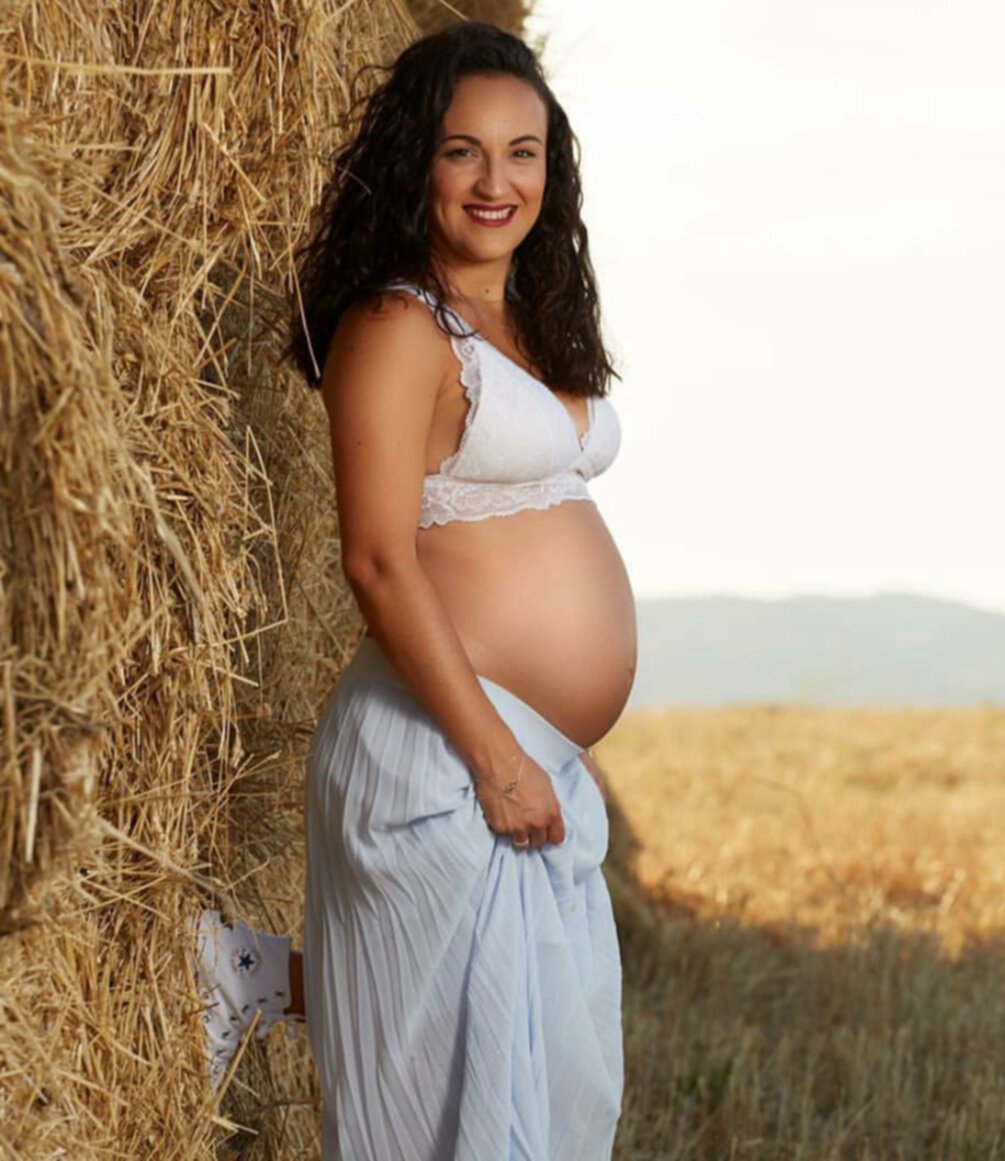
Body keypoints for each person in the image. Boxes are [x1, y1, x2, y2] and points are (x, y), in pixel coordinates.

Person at [192, 19, 638, 1159]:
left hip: (521, 756)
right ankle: (248, 972)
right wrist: (496, 754)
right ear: (417, 163)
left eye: (523, 153)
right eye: (462, 151)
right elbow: (378, 559)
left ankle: (259, 974)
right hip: (444, 755)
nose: (497, 181)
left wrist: (547, 747)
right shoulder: (398, 324)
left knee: (531, 1089)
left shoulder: (532, 320)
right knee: (447, 1121)